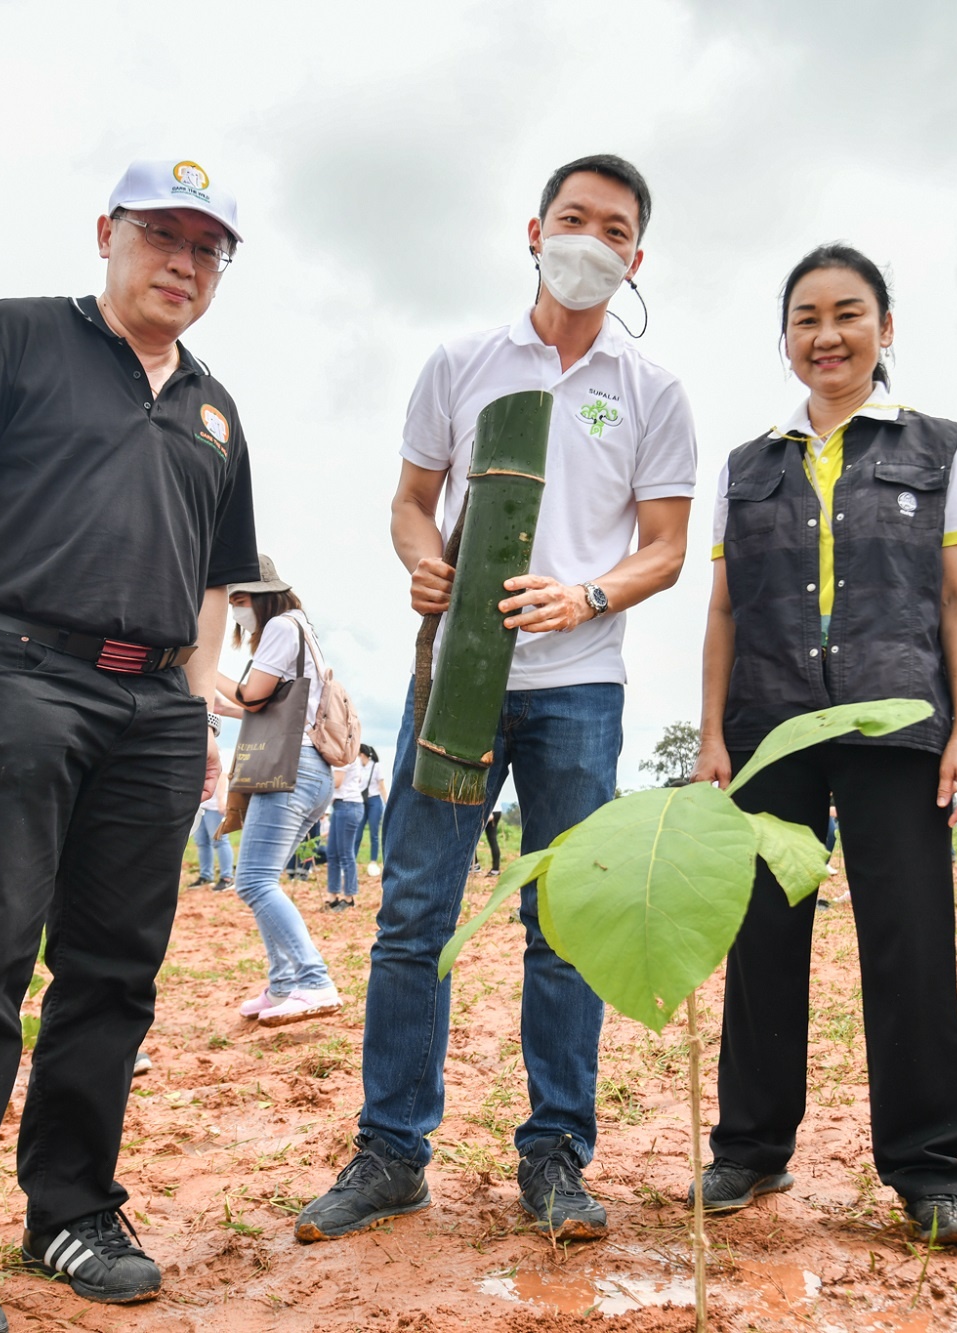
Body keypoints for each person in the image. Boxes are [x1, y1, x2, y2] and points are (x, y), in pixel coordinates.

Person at [0, 157, 256, 1332]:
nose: (182, 262)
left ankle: (73, 1210)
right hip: (14, 673)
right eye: (162, 235)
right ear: (108, 232)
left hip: (151, 710)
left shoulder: (214, 408)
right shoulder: (8, 338)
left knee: (112, 972)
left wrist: (195, 707)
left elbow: (212, 580)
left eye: (207, 247)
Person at [297, 154, 695, 1245]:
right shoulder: (461, 361)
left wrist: (587, 594)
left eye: (611, 228)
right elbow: (409, 501)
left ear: (635, 256)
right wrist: (422, 563)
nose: (587, 238)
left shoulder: (649, 391)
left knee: (562, 927)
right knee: (413, 915)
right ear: (532, 229)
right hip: (453, 681)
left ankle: (555, 1154)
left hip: (579, 692)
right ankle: (390, 1152)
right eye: (571, 217)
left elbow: (664, 549)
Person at [687, 242, 957, 1243]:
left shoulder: (934, 449)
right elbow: (723, 610)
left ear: (884, 329)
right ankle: (749, 1148)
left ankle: (929, 1162)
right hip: (766, 728)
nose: (827, 334)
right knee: (763, 933)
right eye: (805, 317)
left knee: (906, 937)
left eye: (847, 313)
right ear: (785, 339)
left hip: (895, 721)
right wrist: (711, 737)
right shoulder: (745, 466)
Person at [211, 557, 344, 1016]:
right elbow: (256, 709)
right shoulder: (301, 629)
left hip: (292, 768)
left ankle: (313, 978)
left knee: (253, 882)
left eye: (241, 600)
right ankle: (284, 984)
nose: (235, 610)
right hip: (308, 769)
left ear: (265, 595)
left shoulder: (282, 628)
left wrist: (204, 666)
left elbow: (253, 696)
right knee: (261, 880)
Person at [326, 747, 370, 908]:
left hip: (348, 805)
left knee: (345, 854)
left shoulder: (343, 753)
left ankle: (349, 897)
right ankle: (333, 895)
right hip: (341, 805)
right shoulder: (345, 754)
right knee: (332, 853)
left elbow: (337, 782)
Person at [191, 744, 234, 890]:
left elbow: (222, 775)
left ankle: (227, 877)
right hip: (201, 806)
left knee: (219, 841)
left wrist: (222, 800)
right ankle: (205, 876)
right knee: (202, 842)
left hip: (215, 807)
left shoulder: (214, 751)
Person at [355, 743, 386, 875]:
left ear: (362, 754)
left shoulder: (376, 766)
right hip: (361, 801)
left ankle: (373, 862)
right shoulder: (358, 767)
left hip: (374, 801)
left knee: (374, 833)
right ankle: (352, 861)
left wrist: (387, 803)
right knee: (357, 833)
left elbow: (381, 786)